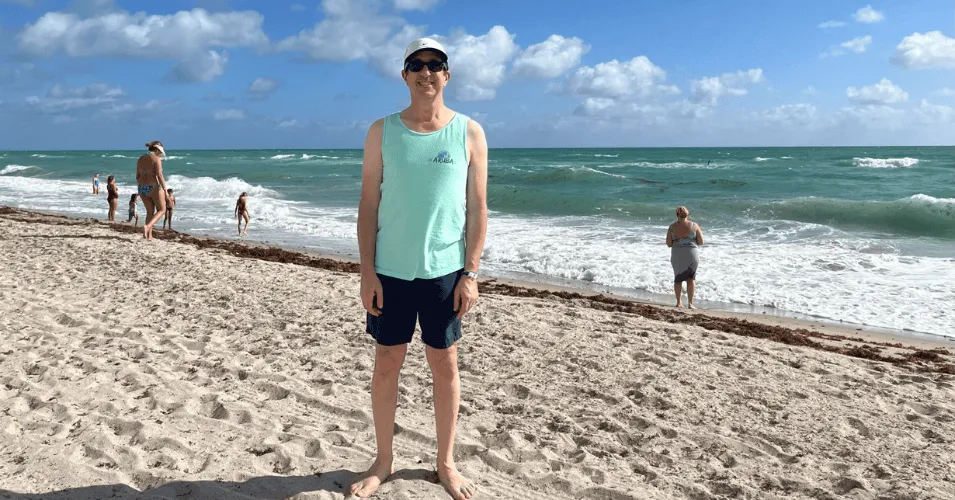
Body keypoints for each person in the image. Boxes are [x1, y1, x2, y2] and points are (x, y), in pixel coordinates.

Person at [350, 37, 487, 500]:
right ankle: (383, 461)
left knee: (444, 364)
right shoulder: (382, 131)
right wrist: (367, 272)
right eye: (417, 64)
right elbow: (369, 204)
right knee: (387, 362)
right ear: (405, 75)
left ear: (447, 74)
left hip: (446, 272)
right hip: (389, 271)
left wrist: (470, 273)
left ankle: (446, 463)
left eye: (435, 64)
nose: (426, 72)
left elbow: (478, 208)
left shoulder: (469, 131)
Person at [666, 205, 704, 309]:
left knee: (678, 278)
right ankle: (690, 304)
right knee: (691, 279)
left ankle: (679, 302)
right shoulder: (694, 226)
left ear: (677, 214)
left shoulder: (672, 227)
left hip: (678, 254)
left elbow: (669, 244)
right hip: (692, 254)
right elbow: (701, 241)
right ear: (687, 214)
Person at [136, 141, 169, 240]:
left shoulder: (140, 158)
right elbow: (159, 175)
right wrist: (165, 190)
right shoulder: (156, 159)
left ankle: (149, 236)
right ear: (158, 150)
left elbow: (137, 176)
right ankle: (148, 226)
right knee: (162, 210)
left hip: (141, 188)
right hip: (153, 187)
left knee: (149, 211)